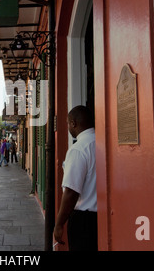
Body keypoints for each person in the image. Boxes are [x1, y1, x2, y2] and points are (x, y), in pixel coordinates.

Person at [53, 105, 97, 251]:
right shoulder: (103, 143)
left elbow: (71, 192)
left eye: (67, 123)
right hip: (101, 217)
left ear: (73, 123)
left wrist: (59, 224)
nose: (68, 127)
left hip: (83, 221)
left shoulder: (78, 149)